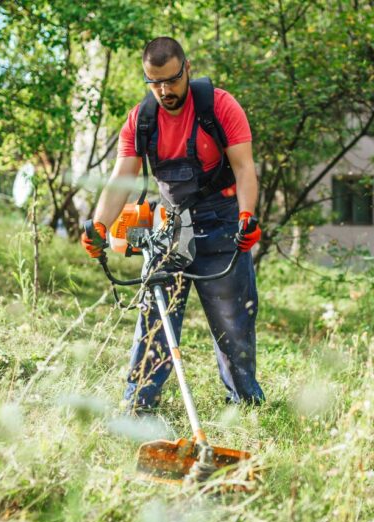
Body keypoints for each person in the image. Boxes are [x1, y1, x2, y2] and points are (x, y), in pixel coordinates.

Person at [82, 37, 266, 412]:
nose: (164, 90)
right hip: (170, 225)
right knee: (155, 316)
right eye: (154, 82)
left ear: (187, 70)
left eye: (171, 80)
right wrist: (100, 225)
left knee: (234, 321)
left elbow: (245, 167)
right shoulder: (141, 119)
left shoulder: (220, 107)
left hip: (221, 222)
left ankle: (245, 405)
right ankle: (138, 406)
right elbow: (122, 178)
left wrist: (248, 217)